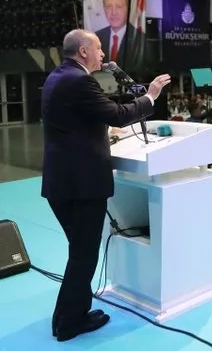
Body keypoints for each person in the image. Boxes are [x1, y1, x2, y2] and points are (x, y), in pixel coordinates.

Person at [41, 29, 171, 342]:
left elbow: (79, 122)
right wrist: (150, 96)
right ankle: (70, 323)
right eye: (99, 48)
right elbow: (117, 114)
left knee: (79, 252)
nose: (103, 54)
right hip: (82, 185)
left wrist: (100, 132)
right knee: (84, 255)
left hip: (62, 182)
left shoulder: (58, 77)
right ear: (83, 50)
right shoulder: (80, 80)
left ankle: (66, 317)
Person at [95, 0, 144, 64]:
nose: (114, 12)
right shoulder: (95, 37)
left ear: (128, 9)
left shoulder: (141, 40)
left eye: (119, 6)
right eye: (108, 6)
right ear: (104, 9)